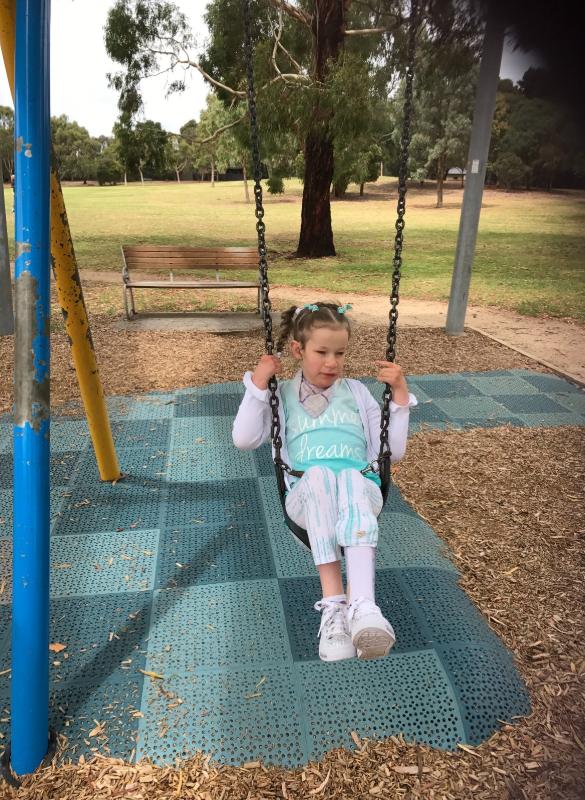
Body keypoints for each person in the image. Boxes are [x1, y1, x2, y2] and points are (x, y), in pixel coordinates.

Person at [232, 302, 417, 662]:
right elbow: (243, 439)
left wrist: (399, 394)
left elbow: (391, 452)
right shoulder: (281, 395)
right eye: (322, 352)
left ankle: (363, 606)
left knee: (347, 475)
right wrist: (258, 383)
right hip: (305, 499)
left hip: (360, 494)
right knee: (319, 475)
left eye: (340, 353)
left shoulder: (357, 393)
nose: (332, 362)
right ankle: (334, 606)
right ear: (297, 350)